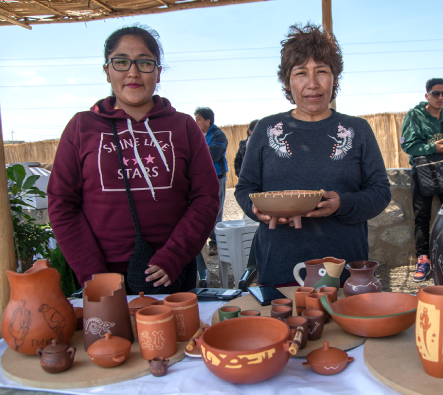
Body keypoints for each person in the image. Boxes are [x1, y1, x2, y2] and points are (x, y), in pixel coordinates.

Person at [47, 25, 220, 294]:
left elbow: (206, 198)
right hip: (102, 277)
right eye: (121, 62)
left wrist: (173, 255)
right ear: (107, 71)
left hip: (168, 272)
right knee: (109, 338)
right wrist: (94, 275)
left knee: (174, 337)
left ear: (158, 71)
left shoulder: (184, 126)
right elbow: (62, 203)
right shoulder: (81, 127)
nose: (133, 72)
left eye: (144, 62)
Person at [234, 23, 391, 286]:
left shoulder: (357, 129)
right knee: (285, 325)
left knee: (341, 325)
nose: (312, 84)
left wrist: (343, 204)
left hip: (344, 267)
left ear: (335, 78)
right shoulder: (266, 129)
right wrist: (256, 210)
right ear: (287, 81)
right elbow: (245, 188)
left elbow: (380, 191)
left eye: (322, 71)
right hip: (280, 263)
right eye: (300, 73)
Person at [400, 78, 443, 283]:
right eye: (436, 93)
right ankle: (424, 260)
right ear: (427, 95)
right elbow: (408, 145)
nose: (440, 97)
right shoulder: (415, 116)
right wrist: (432, 148)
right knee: (422, 217)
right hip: (423, 173)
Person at [194, 107, 228, 255]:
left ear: (208, 120)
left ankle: (216, 243)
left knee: (216, 210)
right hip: (200, 177)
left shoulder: (218, 135)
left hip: (217, 177)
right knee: (203, 209)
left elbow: (211, 155)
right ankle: (207, 241)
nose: (197, 122)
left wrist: (197, 152)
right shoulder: (197, 135)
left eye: (199, 119)